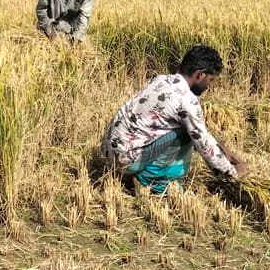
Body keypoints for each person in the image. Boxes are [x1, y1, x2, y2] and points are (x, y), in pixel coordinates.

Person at [101, 45, 248, 192]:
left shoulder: (162, 80)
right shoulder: (186, 100)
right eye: (210, 80)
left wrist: (223, 149)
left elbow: (201, 132)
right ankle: (155, 182)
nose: (209, 86)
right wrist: (232, 172)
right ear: (200, 75)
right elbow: (203, 143)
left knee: (188, 127)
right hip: (126, 160)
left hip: (110, 152)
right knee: (186, 132)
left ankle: (142, 172)